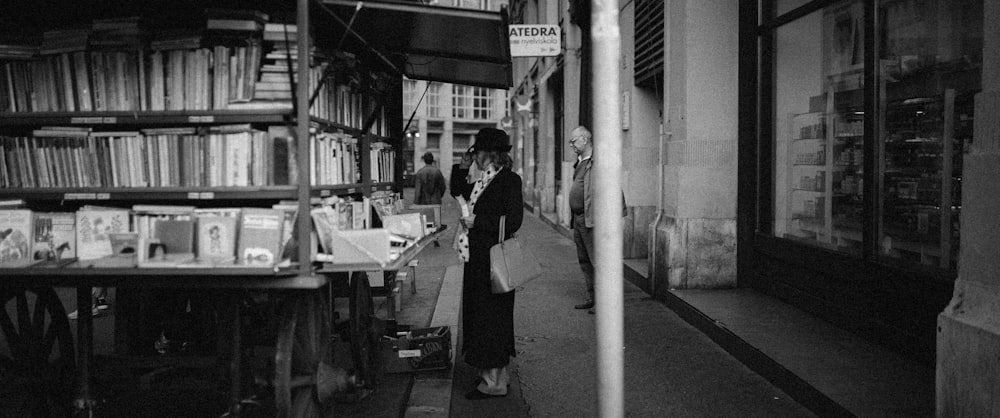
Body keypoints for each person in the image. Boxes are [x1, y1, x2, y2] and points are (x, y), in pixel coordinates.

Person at [454, 128, 523, 400]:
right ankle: (493, 376)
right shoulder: (482, 180)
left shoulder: (509, 180)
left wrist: (477, 222)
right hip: (480, 261)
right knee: (483, 318)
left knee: (492, 319)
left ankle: (494, 383)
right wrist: (460, 168)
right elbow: (458, 192)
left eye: (476, 153)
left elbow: (514, 220)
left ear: (488, 154)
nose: (475, 158)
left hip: (495, 262)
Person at [569, 125, 626, 315]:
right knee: (585, 261)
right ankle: (593, 298)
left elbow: (613, 188)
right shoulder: (580, 162)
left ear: (585, 140)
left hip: (593, 219)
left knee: (597, 261)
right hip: (579, 219)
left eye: (574, 141)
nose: (571, 145)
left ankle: (604, 302)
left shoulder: (599, 161)